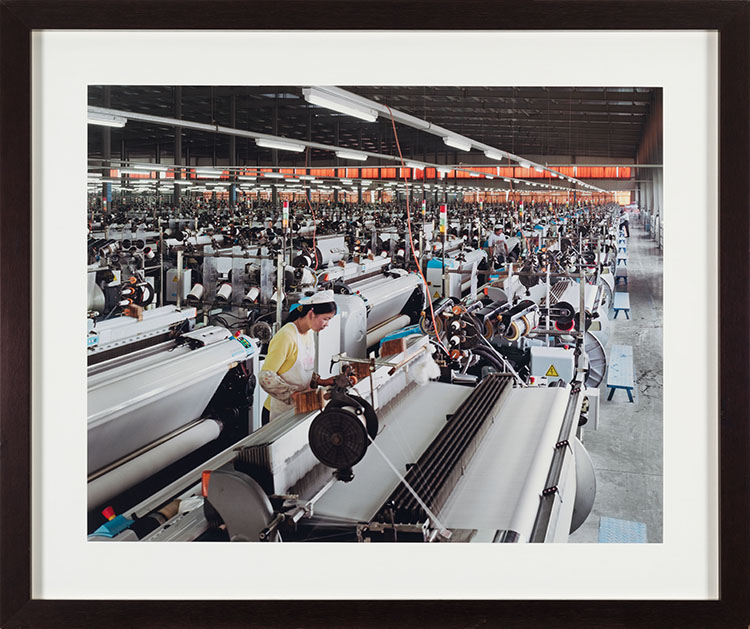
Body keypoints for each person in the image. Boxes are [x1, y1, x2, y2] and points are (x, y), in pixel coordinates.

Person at [258, 290, 338, 425]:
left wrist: (320, 381)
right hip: (278, 412)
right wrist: (293, 395)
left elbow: (298, 368)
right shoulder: (286, 336)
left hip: (298, 408)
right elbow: (265, 377)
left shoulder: (308, 333)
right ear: (311, 314)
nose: (327, 324)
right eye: (325, 319)